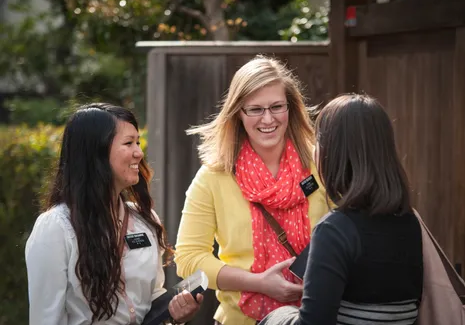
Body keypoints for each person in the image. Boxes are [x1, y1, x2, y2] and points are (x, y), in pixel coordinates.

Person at [174, 55, 331, 325]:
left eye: (276, 107)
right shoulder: (212, 177)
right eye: (255, 109)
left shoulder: (321, 165)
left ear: (290, 108)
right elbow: (188, 259)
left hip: (320, 315)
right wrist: (258, 283)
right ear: (238, 113)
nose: (268, 119)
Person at [25, 103, 203, 325]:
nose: (139, 152)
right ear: (95, 153)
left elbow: (152, 298)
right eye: (128, 143)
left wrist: (174, 313)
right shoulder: (56, 228)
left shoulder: (144, 221)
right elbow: (46, 319)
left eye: (138, 142)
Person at [259, 94, 424, 325]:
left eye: (318, 142)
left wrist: (277, 317)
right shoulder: (410, 223)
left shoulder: (334, 230)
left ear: (332, 154)